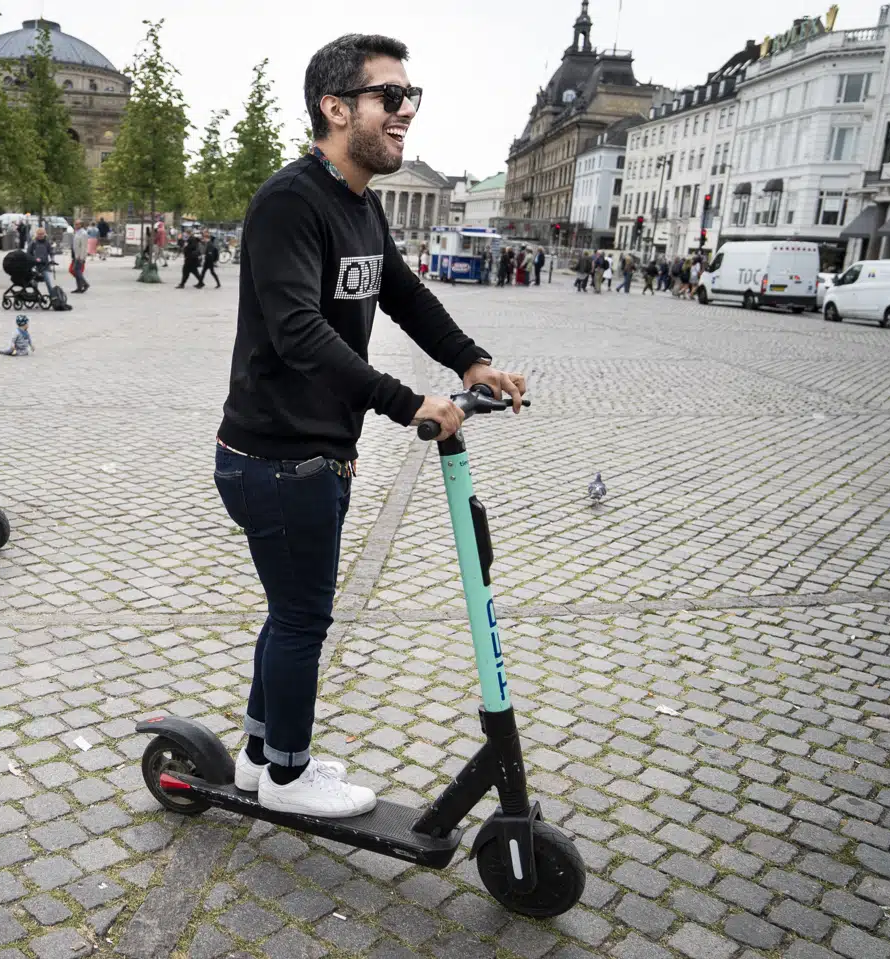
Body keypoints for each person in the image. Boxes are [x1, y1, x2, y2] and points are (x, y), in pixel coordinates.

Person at [217, 33, 525, 818]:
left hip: (312, 455)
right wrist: (406, 401)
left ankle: (259, 758)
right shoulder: (291, 201)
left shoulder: (360, 206)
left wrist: (472, 363)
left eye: (410, 97)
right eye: (391, 97)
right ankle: (288, 773)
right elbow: (297, 331)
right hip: (278, 457)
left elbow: (406, 296)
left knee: (291, 612)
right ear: (336, 107)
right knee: (301, 618)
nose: (406, 112)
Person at [28, 226, 58, 298]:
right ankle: (35, 295)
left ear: (45, 234)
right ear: (36, 234)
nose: (40, 235)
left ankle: (53, 296)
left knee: (47, 281)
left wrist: (52, 259)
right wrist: (33, 259)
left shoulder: (47, 243)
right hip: (35, 266)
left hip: (45, 265)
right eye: (39, 234)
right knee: (34, 282)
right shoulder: (33, 243)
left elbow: (51, 252)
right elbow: (29, 253)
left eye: (42, 234)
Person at [70, 220, 90, 293]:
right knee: (76, 271)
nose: (75, 225)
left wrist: (82, 257)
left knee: (76, 270)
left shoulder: (83, 233)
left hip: (79, 256)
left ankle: (85, 284)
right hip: (75, 255)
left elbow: (84, 246)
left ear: (81, 225)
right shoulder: (77, 232)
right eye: (75, 224)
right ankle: (79, 287)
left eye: (77, 224)